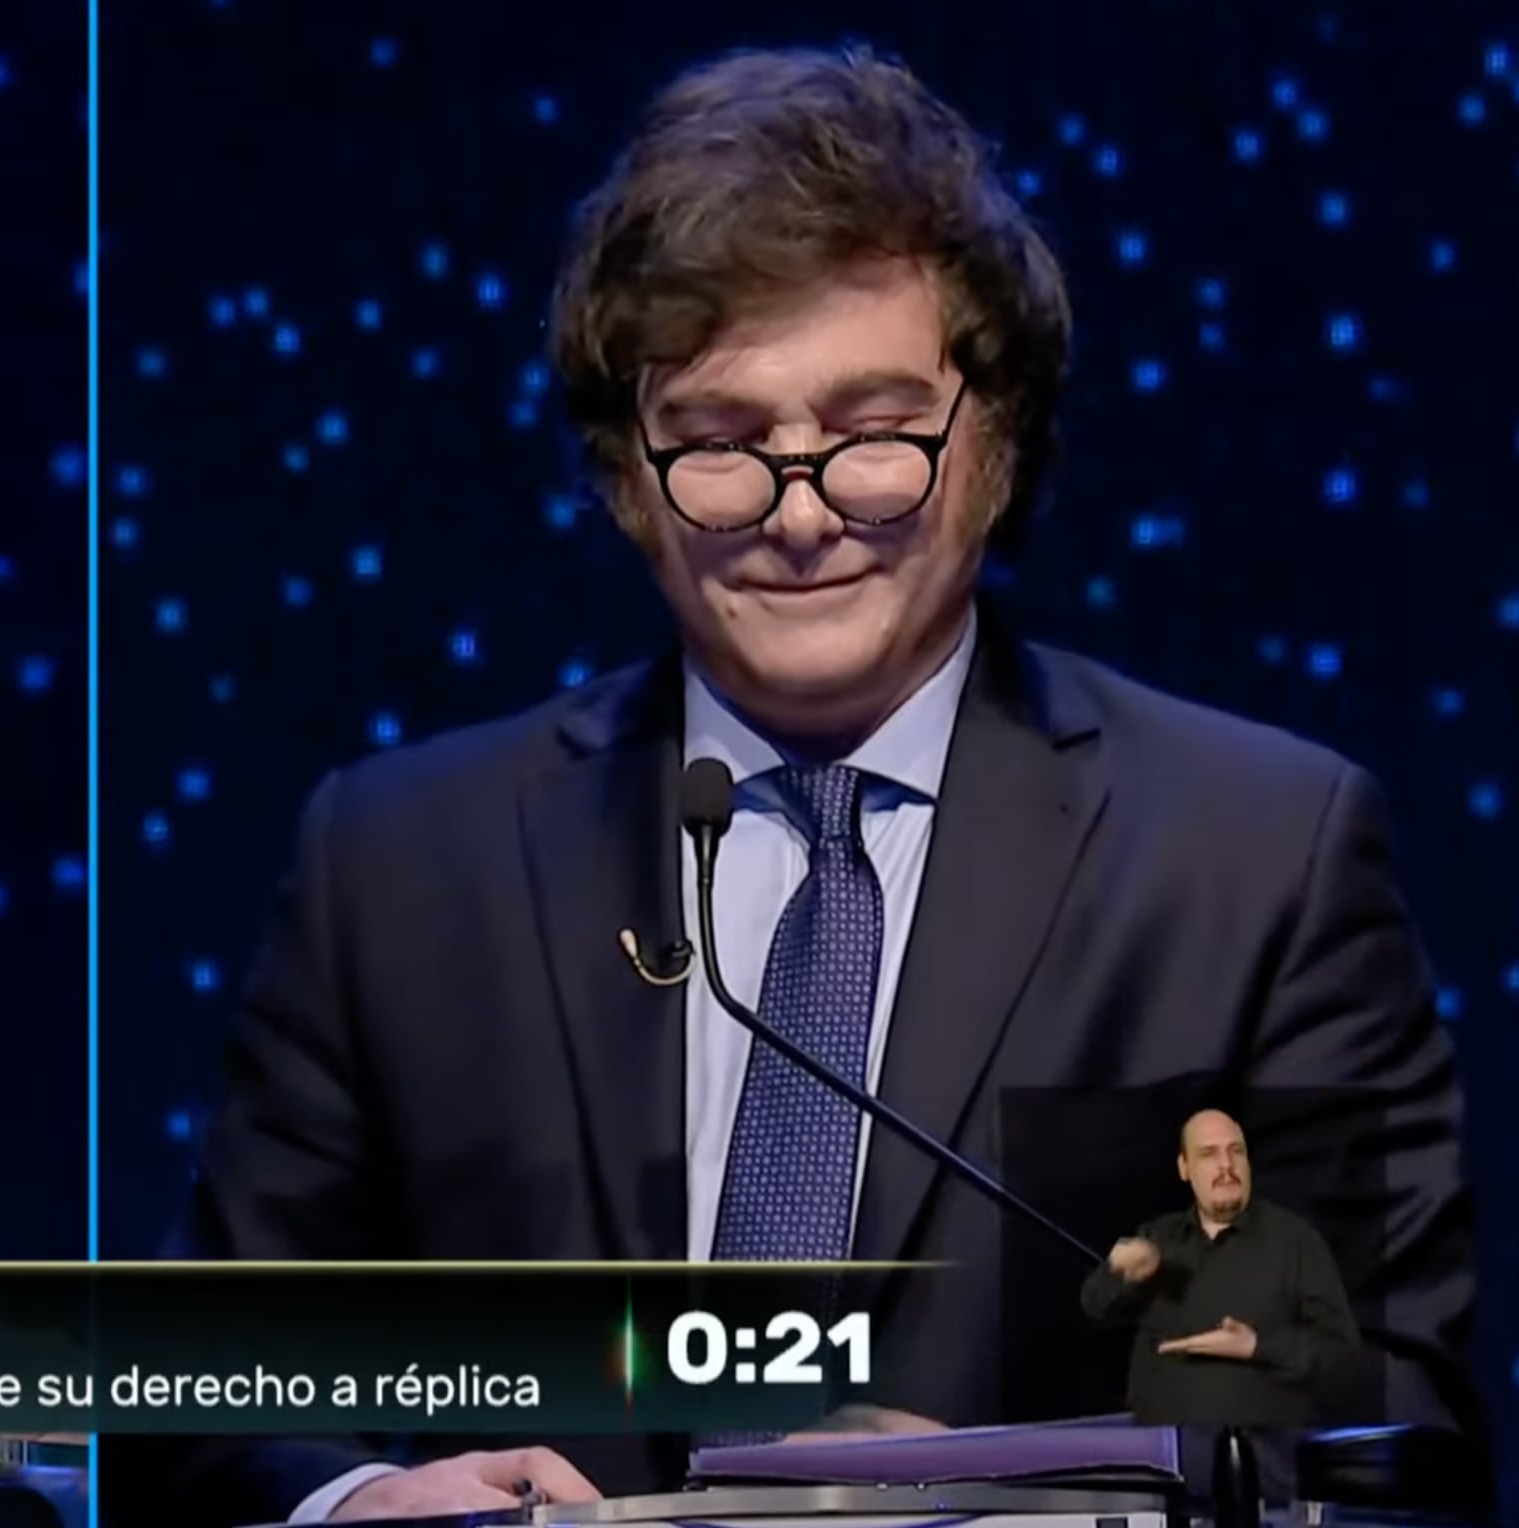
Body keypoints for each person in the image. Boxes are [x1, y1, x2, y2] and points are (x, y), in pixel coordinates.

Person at [122, 45, 1474, 1525]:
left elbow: (1377, 1441)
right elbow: (205, 1392)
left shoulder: (1253, 859)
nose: (803, 512)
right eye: (721, 443)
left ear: (994, 445)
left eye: (873, 434)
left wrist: (1021, 1501)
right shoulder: (398, 866)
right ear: (626, 479)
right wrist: (357, 1496)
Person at [1081, 1110, 1360, 1427]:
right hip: (1164, 1446)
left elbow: (1343, 1358)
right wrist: (1120, 1274)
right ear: (1185, 1168)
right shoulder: (1159, 1237)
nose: (1226, 1165)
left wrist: (1257, 1346)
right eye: (1208, 1154)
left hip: (1263, 1447)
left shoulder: (1296, 1242)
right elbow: (1096, 1307)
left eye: (1236, 1151)